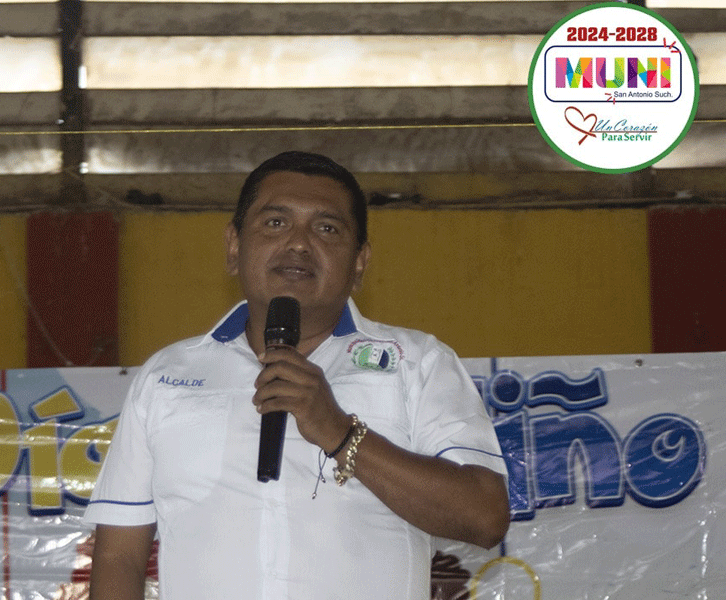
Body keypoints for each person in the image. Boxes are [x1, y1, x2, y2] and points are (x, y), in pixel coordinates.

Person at [84, 151, 510, 600]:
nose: (299, 244)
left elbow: (484, 517)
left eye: (327, 229)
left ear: (360, 261)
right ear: (234, 246)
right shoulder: (166, 376)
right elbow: (119, 557)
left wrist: (341, 433)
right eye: (275, 223)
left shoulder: (417, 363)